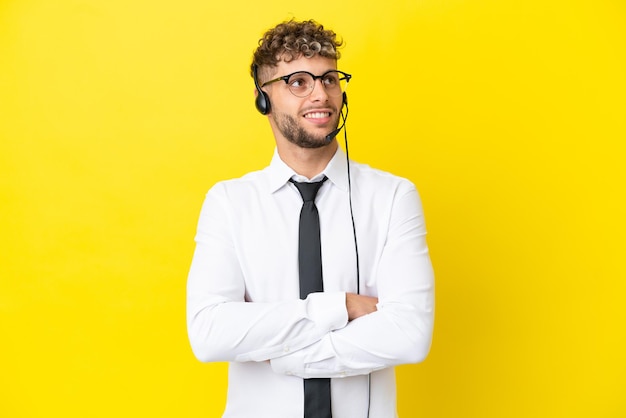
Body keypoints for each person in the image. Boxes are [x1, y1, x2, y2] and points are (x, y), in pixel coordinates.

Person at [186, 19, 435, 418]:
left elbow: (409, 335)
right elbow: (210, 334)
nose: (321, 94)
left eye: (330, 79)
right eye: (299, 82)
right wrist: (341, 308)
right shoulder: (229, 203)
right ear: (262, 98)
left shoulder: (391, 197)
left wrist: (286, 357)